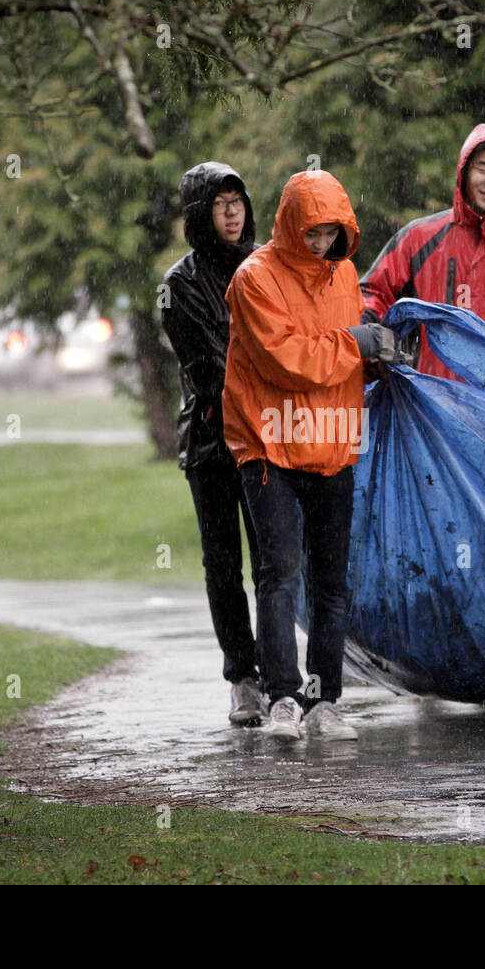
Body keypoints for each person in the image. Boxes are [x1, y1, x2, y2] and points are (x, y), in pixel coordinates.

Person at [223, 169, 398, 742]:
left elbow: (342, 354)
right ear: (291, 223)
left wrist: (378, 355)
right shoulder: (254, 278)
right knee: (278, 574)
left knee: (331, 580)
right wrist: (356, 346)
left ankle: (325, 702)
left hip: (331, 441)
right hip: (268, 441)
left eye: (331, 232)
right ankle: (281, 698)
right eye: (312, 231)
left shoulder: (345, 273)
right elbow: (285, 359)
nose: (321, 243)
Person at [161, 162, 265, 727]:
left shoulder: (265, 265)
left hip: (267, 436)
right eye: (220, 203)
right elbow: (211, 367)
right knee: (224, 564)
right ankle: (243, 677)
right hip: (211, 440)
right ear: (201, 213)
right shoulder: (179, 285)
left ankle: (281, 675)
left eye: (238, 201)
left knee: (273, 562)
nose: (232, 212)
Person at [360, 123, 485, 407]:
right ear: (464, 171)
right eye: (484, 168)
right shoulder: (419, 238)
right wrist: (373, 344)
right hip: (423, 408)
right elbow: (371, 295)